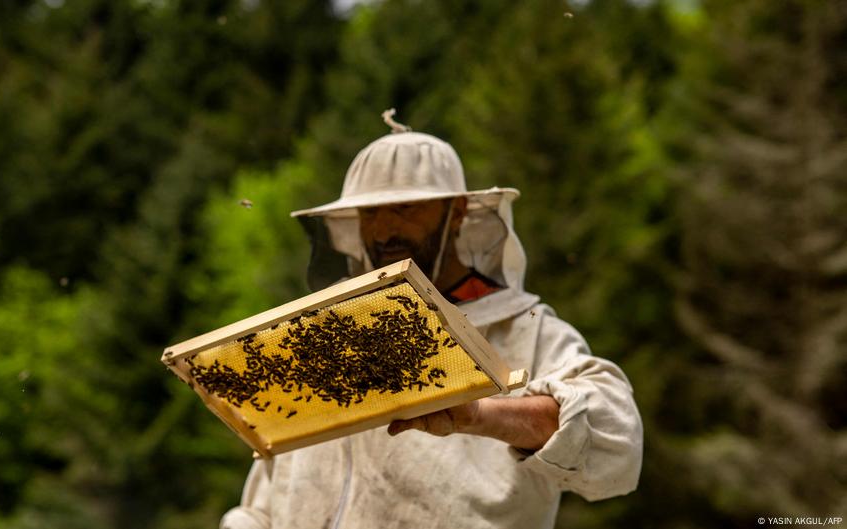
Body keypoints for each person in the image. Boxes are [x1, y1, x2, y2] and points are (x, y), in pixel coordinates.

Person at [220, 119, 642, 529]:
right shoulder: (329, 340)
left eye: (402, 208)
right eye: (369, 213)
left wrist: (480, 416)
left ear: (456, 212)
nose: (383, 230)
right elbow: (265, 503)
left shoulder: (525, 331)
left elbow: (617, 446)